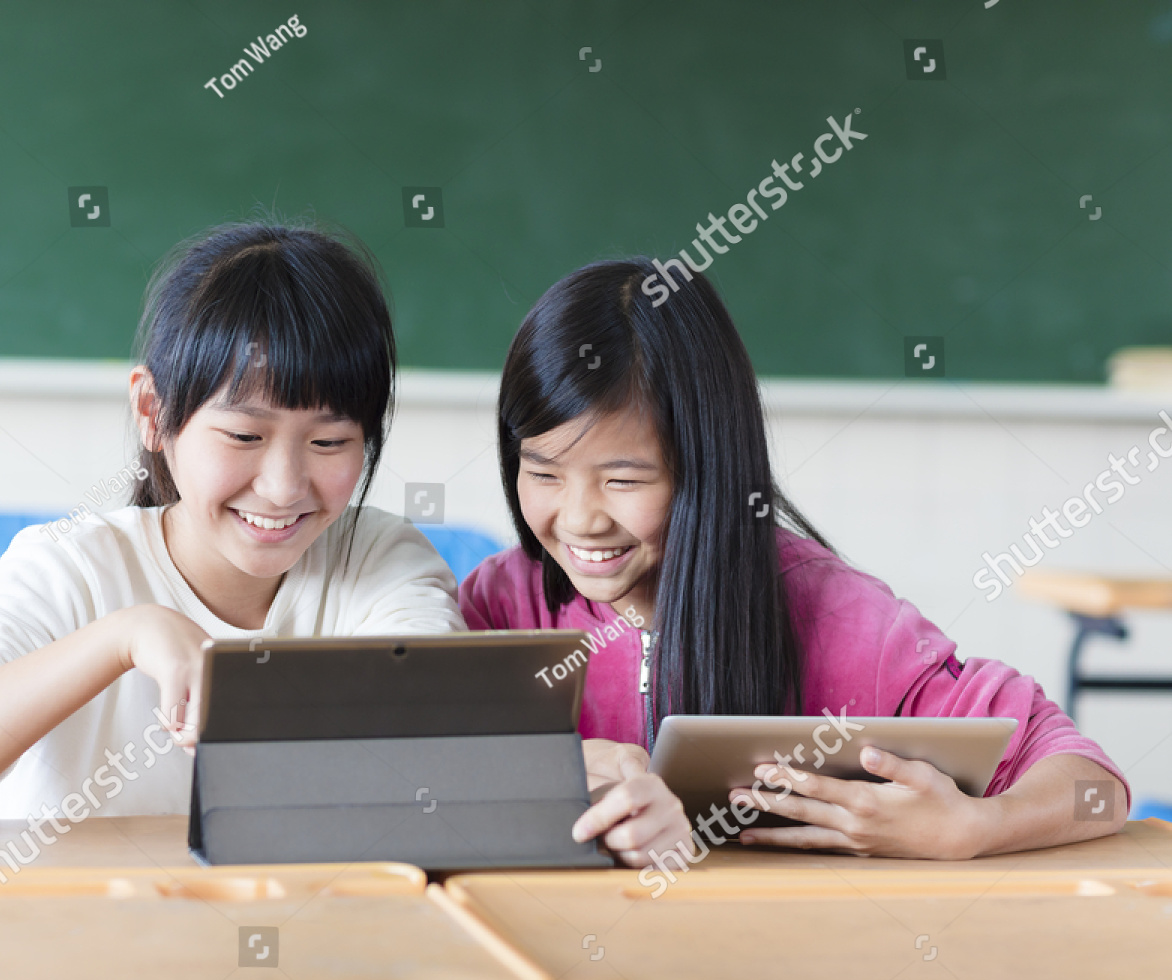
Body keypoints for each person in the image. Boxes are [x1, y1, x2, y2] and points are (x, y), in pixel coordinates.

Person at [461, 259, 1129, 865]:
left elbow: (1095, 785)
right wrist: (555, 769)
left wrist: (978, 825)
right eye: (544, 473)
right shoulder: (498, 607)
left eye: (624, 481)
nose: (579, 519)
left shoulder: (839, 618)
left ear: (706, 468)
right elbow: (405, 779)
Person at [0, 222, 463, 831]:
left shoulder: (381, 562)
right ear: (153, 412)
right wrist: (122, 638)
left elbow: (446, 761)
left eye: (329, 441)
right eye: (244, 435)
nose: (283, 487)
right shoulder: (72, 567)